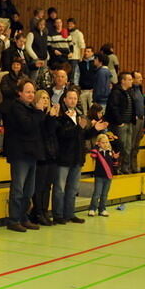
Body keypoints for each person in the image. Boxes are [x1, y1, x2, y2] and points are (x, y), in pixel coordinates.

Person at [53, 87, 105, 224]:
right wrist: (79, 128)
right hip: (63, 157)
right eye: (70, 98)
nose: (73, 100)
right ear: (64, 99)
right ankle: (58, 214)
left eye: (75, 98)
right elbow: (63, 134)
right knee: (60, 188)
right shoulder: (60, 117)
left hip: (77, 157)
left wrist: (94, 130)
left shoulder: (79, 116)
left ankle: (70, 213)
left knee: (73, 188)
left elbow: (83, 136)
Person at [1, 78, 47, 233]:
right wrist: (39, 112)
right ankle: (13, 219)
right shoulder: (16, 107)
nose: (31, 94)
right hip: (19, 153)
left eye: (33, 92)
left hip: (31, 153)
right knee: (18, 188)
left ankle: (23, 217)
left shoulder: (31, 108)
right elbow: (27, 126)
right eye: (27, 92)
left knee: (29, 189)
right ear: (19, 92)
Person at [29, 89, 59, 226]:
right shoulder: (36, 114)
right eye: (42, 98)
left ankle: (45, 211)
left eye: (47, 98)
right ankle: (37, 212)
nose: (45, 100)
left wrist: (53, 118)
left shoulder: (49, 115)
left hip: (51, 154)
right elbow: (40, 132)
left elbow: (53, 133)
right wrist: (47, 117)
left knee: (48, 185)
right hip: (41, 155)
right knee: (39, 186)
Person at [105, 72, 137, 174]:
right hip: (120, 124)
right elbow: (113, 107)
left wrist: (132, 119)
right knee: (120, 146)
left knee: (128, 147)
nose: (131, 81)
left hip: (128, 123)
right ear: (123, 81)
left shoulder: (129, 92)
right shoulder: (116, 92)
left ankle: (125, 167)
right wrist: (119, 122)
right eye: (129, 79)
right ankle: (116, 167)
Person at [88, 133, 119, 217]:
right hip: (99, 176)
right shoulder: (97, 152)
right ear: (98, 143)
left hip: (108, 176)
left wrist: (115, 158)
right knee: (97, 193)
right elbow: (92, 155)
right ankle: (92, 208)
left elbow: (114, 164)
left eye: (106, 142)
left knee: (104, 194)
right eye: (102, 142)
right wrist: (96, 146)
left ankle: (102, 209)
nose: (105, 144)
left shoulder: (110, 152)